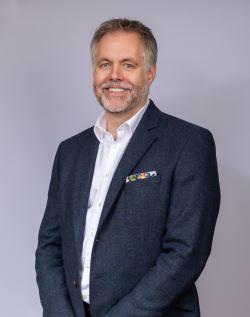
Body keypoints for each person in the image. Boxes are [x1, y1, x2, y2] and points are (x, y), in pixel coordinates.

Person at [35, 18, 220, 317]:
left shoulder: (189, 144)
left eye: (128, 65)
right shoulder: (70, 152)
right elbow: (49, 247)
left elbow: (186, 253)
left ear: (150, 72)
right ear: (94, 71)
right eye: (105, 64)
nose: (114, 76)